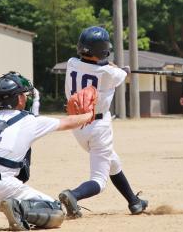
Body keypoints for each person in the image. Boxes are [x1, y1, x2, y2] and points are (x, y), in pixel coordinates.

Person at [0, 72, 95, 231]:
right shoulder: (29, 121)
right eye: (24, 94)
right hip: (1, 188)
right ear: (19, 99)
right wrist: (89, 114)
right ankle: (18, 208)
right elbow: (67, 122)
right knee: (56, 210)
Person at [58, 26, 148, 219]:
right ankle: (73, 195)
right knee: (99, 180)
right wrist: (124, 69)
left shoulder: (71, 63)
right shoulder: (109, 73)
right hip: (98, 128)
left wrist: (114, 66)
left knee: (113, 162)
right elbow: (121, 73)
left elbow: (101, 64)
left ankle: (134, 201)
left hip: (77, 124)